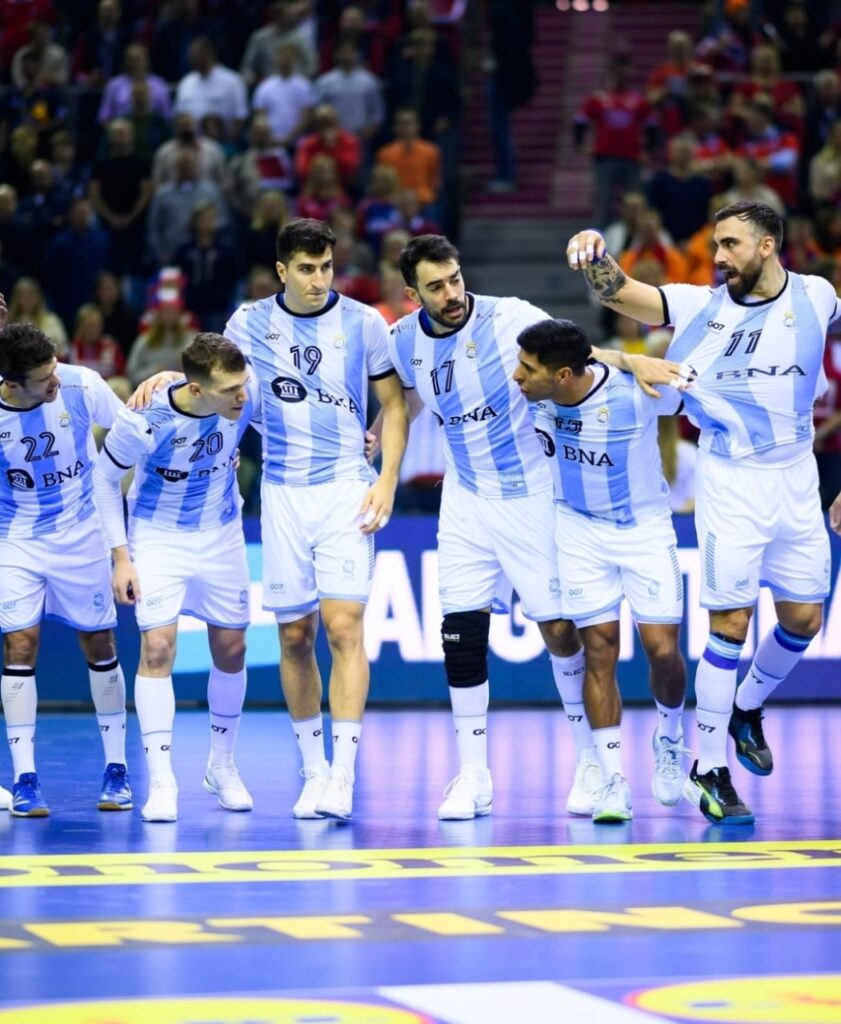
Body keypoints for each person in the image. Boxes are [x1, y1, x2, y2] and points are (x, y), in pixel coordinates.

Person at [388, 234, 680, 820]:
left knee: (561, 633)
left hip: (532, 494)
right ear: (411, 293)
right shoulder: (401, 341)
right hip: (464, 499)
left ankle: (590, 764)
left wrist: (631, 358)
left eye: (455, 279)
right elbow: (411, 398)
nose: (451, 294)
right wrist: (382, 443)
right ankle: (473, 777)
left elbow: (575, 355)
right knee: (461, 636)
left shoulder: (510, 317)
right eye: (436, 286)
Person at [566, 200, 836, 825]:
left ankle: (745, 708)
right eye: (715, 245)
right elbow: (621, 297)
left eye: (731, 245)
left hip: (798, 474)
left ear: (768, 245)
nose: (718, 257)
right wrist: (594, 254)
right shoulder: (699, 305)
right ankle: (709, 768)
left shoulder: (818, 296)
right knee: (730, 624)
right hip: (731, 477)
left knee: (804, 618)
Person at [136, 219, 409, 821]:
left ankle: (342, 774)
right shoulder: (248, 322)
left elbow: (393, 404)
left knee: (343, 628)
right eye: (306, 269)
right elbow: (216, 380)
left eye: (327, 268)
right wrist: (169, 381)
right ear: (282, 270)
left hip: (345, 485)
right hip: (283, 492)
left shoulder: (365, 323)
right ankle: (312, 771)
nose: (318, 280)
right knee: (294, 636)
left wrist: (386, 477)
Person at [514, 318, 689, 822]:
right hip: (578, 531)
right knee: (599, 650)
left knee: (662, 651)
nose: (517, 376)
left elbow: (701, 395)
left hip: (644, 529)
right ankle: (613, 781)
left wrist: (635, 361)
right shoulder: (534, 399)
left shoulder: (639, 393)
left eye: (528, 369)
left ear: (564, 374)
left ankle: (671, 734)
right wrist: (623, 352)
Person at [93, 334, 257, 822]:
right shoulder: (144, 418)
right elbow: (105, 480)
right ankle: (162, 779)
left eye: (243, 384)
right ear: (197, 388)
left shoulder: (244, 394)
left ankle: (222, 766)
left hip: (222, 532)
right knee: (158, 649)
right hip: (157, 536)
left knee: (233, 649)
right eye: (230, 389)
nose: (242, 396)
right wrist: (120, 557)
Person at [0, 316, 131, 817]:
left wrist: (161, 392)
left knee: (100, 643)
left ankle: (116, 771)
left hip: (83, 531)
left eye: (54, 367)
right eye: (43, 377)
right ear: (12, 384)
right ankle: (25, 779)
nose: (56, 379)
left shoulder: (81, 383)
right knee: (20, 643)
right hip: (18, 538)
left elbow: (131, 432)